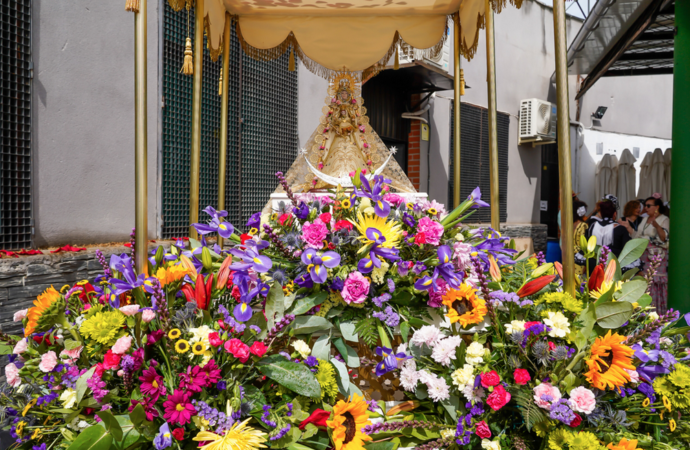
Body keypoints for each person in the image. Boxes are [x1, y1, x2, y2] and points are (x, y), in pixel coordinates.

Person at [634, 193, 670, 312]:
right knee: (644, 280)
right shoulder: (644, 219)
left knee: (655, 280)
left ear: (657, 207)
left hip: (657, 255)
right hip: (643, 254)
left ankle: (658, 310)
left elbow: (665, 238)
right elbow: (638, 236)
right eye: (645, 205)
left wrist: (657, 226)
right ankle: (643, 310)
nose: (646, 208)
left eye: (649, 205)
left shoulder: (664, 219)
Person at [572, 200, 589, 277]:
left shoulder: (570, 224)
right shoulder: (583, 225)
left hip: (569, 256)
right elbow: (583, 245)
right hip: (579, 258)